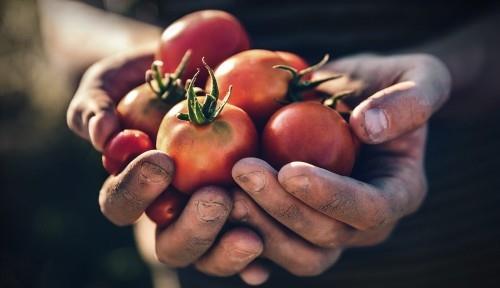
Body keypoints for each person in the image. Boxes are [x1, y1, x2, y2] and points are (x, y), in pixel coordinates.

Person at [63, 1, 500, 287]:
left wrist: (443, 77)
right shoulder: (215, 105)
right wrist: (148, 59)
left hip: (459, 255)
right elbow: (64, 16)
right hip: (201, 262)